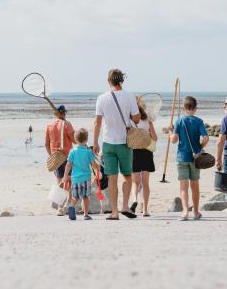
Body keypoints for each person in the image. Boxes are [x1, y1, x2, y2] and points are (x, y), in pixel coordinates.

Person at [93, 69, 141, 220]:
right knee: (127, 176)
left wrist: (95, 142)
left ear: (109, 81)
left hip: (108, 142)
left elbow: (97, 122)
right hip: (125, 142)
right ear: (121, 80)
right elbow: (137, 119)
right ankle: (125, 206)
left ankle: (114, 212)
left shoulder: (101, 98)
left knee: (112, 177)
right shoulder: (129, 96)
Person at [169, 96, 208, 221]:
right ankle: (196, 212)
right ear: (195, 108)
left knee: (183, 186)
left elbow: (174, 140)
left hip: (182, 156)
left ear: (184, 107)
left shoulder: (179, 121)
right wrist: (200, 147)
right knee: (195, 185)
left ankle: (185, 211)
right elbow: (206, 138)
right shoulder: (199, 121)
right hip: (195, 157)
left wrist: (170, 132)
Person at [45, 105, 76, 216]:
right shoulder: (67, 124)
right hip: (68, 156)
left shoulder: (49, 125)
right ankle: (69, 203)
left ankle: (60, 207)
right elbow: (75, 140)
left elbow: (46, 144)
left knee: (60, 181)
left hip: (56, 157)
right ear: (63, 113)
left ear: (56, 114)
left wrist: (52, 156)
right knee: (70, 180)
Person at [63, 128, 99, 221]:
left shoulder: (72, 151)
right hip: (86, 178)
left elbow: (68, 165)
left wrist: (65, 176)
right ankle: (86, 214)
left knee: (75, 196)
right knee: (86, 197)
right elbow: (93, 164)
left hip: (75, 179)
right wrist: (98, 171)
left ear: (75, 139)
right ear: (87, 139)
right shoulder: (88, 152)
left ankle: (71, 206)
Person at [130, 98, 157, 217]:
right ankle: (145, 210)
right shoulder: (147, 120)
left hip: (134, 153)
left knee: (135, 183)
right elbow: (155, 138)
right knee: (145, 182)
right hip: (146, 152)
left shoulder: (130, 120)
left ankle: (134, 201)